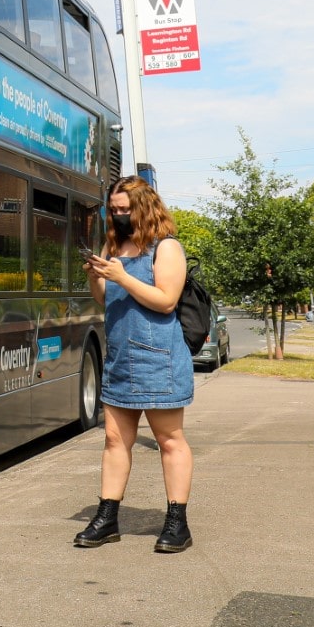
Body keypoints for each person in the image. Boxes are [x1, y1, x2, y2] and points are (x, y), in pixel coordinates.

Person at [74, 176, 195, 554]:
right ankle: (107, 517)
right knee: (114, 440)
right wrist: (99, 277)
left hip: (159, 358)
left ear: (145, 208)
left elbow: (166, 301)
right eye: (114, 210)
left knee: (169, 440)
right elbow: (104, 300)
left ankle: (177, 521)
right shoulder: (114, 245)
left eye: (125, 209)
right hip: (121, 359)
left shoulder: (167, 248)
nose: (119, 215)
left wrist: (122, 276)